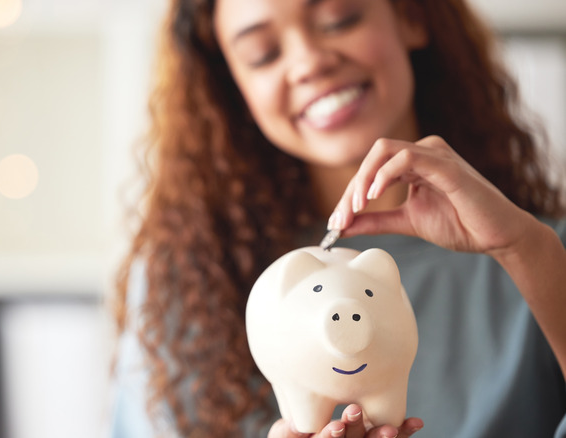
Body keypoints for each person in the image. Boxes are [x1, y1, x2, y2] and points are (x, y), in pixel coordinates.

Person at [109, 0, 566, 437]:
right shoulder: (188, 282)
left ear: (409, 16)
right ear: (234, 89)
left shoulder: (542, 256)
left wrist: (527, 249)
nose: (309, 62)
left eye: (338, 19)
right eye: (263, 54)